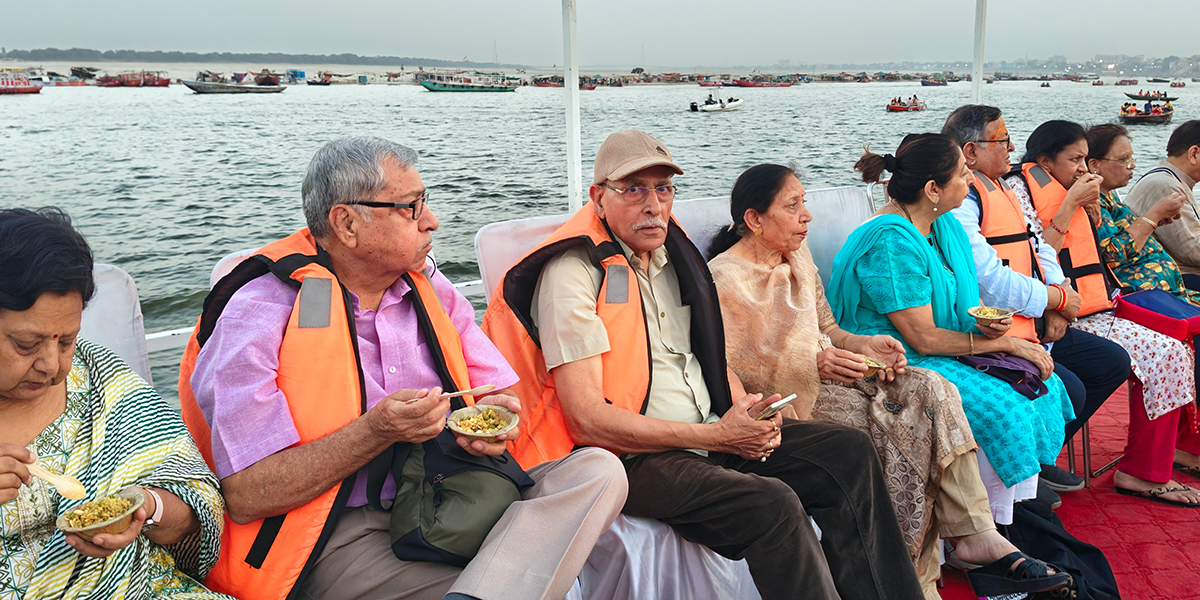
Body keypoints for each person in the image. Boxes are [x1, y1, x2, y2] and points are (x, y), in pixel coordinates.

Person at [483, 130, 926, 600]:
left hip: (709, 431)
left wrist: (747, 411)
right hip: (632, 456)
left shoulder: (669, 258)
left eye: (663, 188)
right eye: (633, 189)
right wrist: (716, 436)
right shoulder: (573, 274)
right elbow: (586, 418)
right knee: (772, 505)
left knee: (848, 452)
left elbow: (702, 359)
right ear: (598, 198)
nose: (653, 204)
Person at [181, 137, 627, 600]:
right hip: (336, 533)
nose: (431, 220)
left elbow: (494, 392)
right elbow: (249, 493)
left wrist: (494, 418)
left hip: (449, 493)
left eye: (425, 202)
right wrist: (376, 431)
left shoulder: (431, 289)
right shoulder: (258, 315)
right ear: (347, 223)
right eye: (411, 208)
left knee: (599, 470)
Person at [705, 163, 1068, 599]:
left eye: (805, 203)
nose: (808, 216)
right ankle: (920, 580)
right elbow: (734, 368)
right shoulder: (725, 278)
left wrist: (865, 344)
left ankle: (974, 533)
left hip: (837, 371)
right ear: (754, 219)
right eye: (793, 205)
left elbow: (828, 327)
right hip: (793, 396)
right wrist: (814, 362)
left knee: (932, 386)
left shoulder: (796, 256)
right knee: (904, 429)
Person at [828, 134, 1076, 530]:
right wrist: (1009, 342)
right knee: (1004, 406)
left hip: (935, 344)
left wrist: (984, 324)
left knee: (1045, 386)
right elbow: (922, 338)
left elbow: (950, 306)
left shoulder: (941, 226)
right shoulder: (891, 243)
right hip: (894, 355)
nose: (972, 181)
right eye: (963, 174)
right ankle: (982, 528)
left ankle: (1015, 506)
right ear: (932, 189)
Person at [0, 207, 231, 599]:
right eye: (26, 345)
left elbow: (198, 508)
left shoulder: (99, 377)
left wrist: (146, 507)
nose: (52, 365)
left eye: (66, 340)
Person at [1004, 121, 1200, 507]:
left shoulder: (1092, 197)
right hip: (1053, 312)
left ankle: (1157, 461)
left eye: (1084, 159)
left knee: (1176, 346)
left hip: (1095, 305)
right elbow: (1038, 255)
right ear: (1045, 160)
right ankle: (1140, 472)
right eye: (1075, 159)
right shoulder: (1021, 193)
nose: (1083, 168)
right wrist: (1073, 204)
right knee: (1165, 353)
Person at [942, 106, 1131, 501]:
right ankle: (1026, 468)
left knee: (1109, 362)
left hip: (1037, 318)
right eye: (1002, 140)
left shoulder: (1006, 188)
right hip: (997, 327)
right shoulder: (964, 198)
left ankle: (1039, 458)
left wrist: (1059, 299)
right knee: (1072, 388)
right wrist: (1052, 299)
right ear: (971, 152)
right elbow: (987, 279)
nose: (1012, 147)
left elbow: (1038, 246)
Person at [1083, 123, 1200, 506]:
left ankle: (1184, 446)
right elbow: (1114, 254)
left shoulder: (1111, 198)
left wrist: (1151, 222)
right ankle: (1143, 470)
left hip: (1156, 294)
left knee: (1190, 338)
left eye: (1133, 158)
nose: (1132, 166)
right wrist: (1152, 217)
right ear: (1095, 164)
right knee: (1172, 348)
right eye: (1124, 159)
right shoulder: (1090, 202)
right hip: (1125, 299)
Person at [1124, 120, 1200, 285]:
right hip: (1172, 278)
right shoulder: (1166, 185)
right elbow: (1193, 251)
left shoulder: (1170, 180)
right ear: (1194, 154)